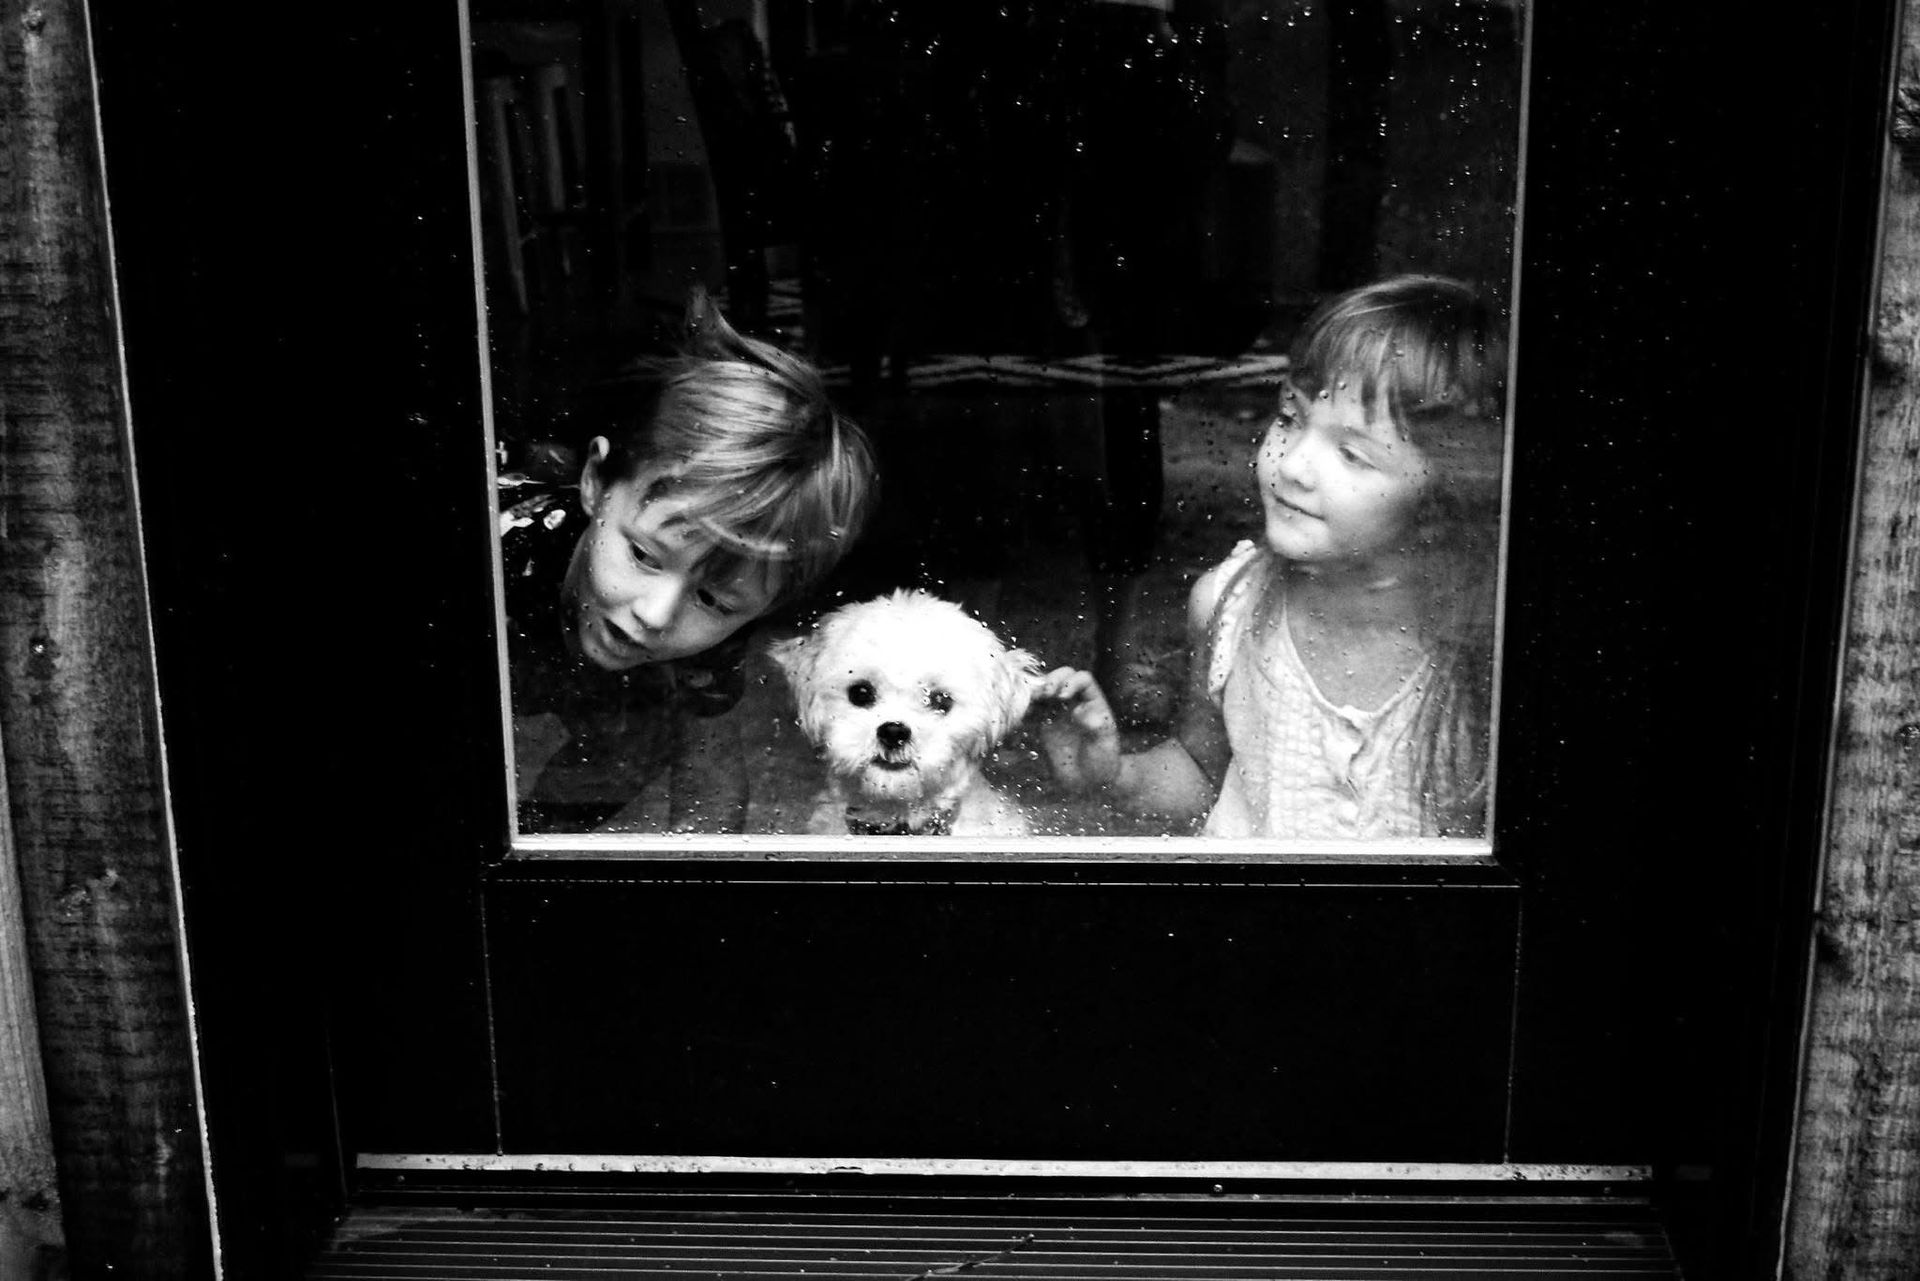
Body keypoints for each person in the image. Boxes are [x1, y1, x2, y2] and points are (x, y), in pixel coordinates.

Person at [1036, 275, 1504, 839]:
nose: (1292, 465)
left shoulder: (1483, 648)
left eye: (1352, 454)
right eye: (1290, 418)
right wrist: (1113, 773)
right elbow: (1202, 773)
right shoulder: (1230, 605)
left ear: (1441, 499)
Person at [500, 292, 877, 834]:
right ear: (596, 484)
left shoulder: (706, 643)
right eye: (643, 555)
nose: (656, 615)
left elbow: (713, 772)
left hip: (585, 679)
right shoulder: (501, 557)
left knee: (643, 735)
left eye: (714, 600)